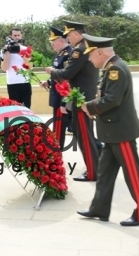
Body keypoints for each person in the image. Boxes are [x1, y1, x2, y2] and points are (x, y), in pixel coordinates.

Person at [77, 34, 139, 226]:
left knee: (132, 173)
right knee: (105, 173)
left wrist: (90, 106)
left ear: (100, 52)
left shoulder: (115, 69)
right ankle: (99, 209)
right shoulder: (111, 67)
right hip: (112, 132)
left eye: (91, 55)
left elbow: (112, 99)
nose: (90, 59)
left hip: (121, 133)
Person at [45, 20, 99, 182]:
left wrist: (52, 71)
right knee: (83, 133)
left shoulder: (79, 50)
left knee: (84, 135)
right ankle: (95, 167)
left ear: (76, 34)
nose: (68, 38)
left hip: (80, 99)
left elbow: (67, 74)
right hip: (84, 97)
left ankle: (92, 172)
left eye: (69, 35)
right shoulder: (85, 47)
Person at [39, 26, 71, 150]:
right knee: (60, 128)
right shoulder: (60, 54)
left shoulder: (68, 54)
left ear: (61, 41)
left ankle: (56, 156)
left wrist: (64, 101)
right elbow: (58, 75)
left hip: (61, 98)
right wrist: (48, 82)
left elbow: (67, 79)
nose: (52, 44)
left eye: (54, 41)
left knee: (58, 129)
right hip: (57, 96)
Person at [0, 28, 32, 108]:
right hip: (12, 83)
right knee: (15, 109)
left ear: (21, 36)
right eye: (14, 35)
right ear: (10, 36)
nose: (17, 37)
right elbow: (4, 68)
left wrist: (22, 54)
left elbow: (30, 66)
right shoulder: (4, 49)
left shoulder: (25, 49)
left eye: (18, 35)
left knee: (26, 108)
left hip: (25, 82)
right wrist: (7, 55)